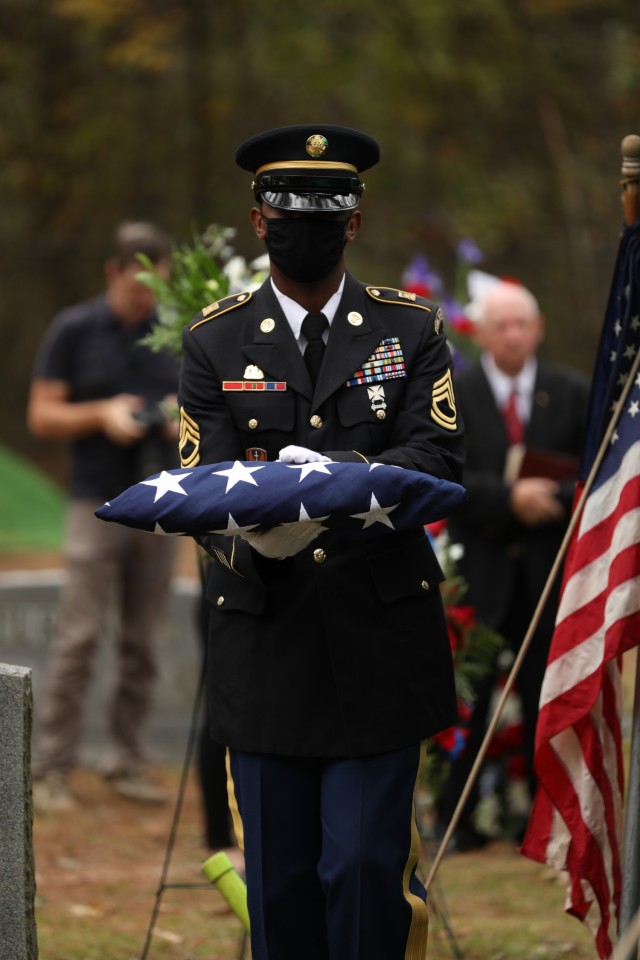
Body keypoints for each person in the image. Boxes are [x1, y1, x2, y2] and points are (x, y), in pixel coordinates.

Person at [177, 123, 465, 960]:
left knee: (366, 872)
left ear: (356, 223)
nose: (308, 229)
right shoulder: (214, 339)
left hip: (379, 635)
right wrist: (264, 527)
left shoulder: (409, 330)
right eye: (288, 213)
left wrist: (331, 478)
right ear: (259, 221)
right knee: (280, 883)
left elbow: (437, 458)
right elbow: (202, 484)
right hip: (267, 639)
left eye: (326, 214)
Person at [28, 221, 180, 811]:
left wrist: (173, 416)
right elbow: (41, 415)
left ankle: (126, 760)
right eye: (139, 285)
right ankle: (50, 769)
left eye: (158, 287)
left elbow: (203, 409)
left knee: (143, 639)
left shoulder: (174, 334)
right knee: (80, 635)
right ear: (113, 273)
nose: (148, 298)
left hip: (160, 501)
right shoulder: (73, 329)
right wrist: (103, 415)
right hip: (92, 500)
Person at [436, 279, 590, 850]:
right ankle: (457, 817)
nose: (514, 335)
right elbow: (445, 475)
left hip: (549, 575)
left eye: (523, 324)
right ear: (481, 333)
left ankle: (542, 823)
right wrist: (509, 500)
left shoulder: (571, 393)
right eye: (502, 325)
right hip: (480, 573)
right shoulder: (454, 392)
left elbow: (596, 472)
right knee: (469, 699)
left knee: (543, 695)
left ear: (539, 329)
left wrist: (548, 495)